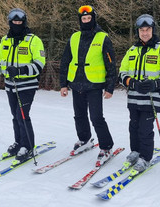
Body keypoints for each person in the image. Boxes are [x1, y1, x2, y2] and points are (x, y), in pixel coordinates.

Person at [60, 5, 116, 167]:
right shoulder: (74, 37)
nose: (86, 21)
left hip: (95, 85)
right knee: (79, 115)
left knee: (96, 117)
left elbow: (111, 64)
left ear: (93, 19)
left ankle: (106, 146)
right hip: (76, 84)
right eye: (83, 19)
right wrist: (63, 84)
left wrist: (110, 87)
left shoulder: (102, 38)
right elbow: (65, 61)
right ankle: (84, 139)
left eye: (88, 18)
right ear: (80, 20)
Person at [119, 14, 160, 172]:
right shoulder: (132, 50)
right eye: (142, 30)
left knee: (145, 129)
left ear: (153, 30)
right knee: (133, 127)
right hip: (133, 98)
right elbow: (122, 72)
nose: (144, 33)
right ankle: (135, 151)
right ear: (138, 32)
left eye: (148, 29)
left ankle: (145, 157)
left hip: (151, 98)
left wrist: (155, 83)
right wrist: (131, 82)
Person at [0, 8, 45, 162]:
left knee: (22, 115)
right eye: (14, 22)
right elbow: (0, 60)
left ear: (24, 22)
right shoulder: (5, 40)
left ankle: (27, 146)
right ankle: (19, 142)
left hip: (27, 85)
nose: (17, 24)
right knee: (15, 116)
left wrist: (20, 70)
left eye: (20, 22)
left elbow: (40, 64)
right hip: (10, 85)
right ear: (10, 23)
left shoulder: (33, 40)